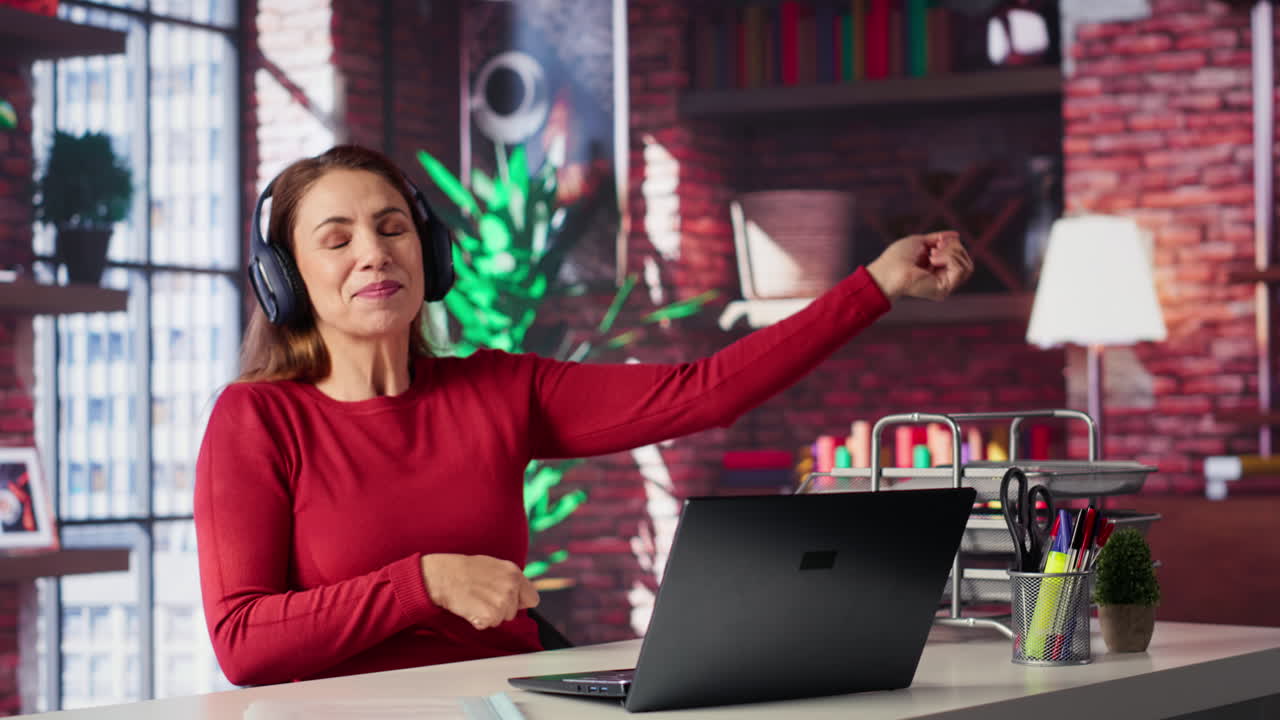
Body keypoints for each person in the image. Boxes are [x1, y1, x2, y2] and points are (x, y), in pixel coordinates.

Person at [194, 144, 974, 687]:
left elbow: (705, 391)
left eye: (392, 227)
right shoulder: (256, 420)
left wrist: (874, 283)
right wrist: (423, 583)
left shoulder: (499, 390)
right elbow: (242, 643)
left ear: (427, 253)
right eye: (337, 240)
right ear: (285, 281)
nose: (373, 252)